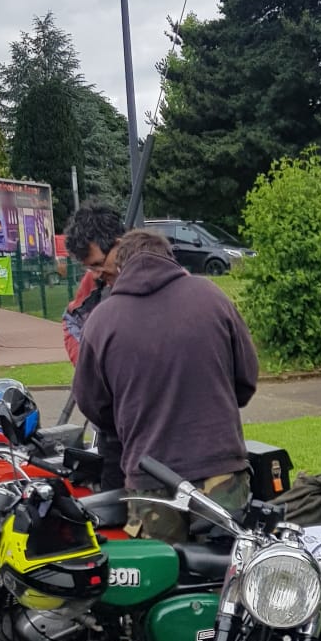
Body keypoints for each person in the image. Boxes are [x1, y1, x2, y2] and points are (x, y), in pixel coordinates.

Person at [72, 227, 259, 543]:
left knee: (159, 581)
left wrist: (128, 421)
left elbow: (93, 405)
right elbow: (246, 379)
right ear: (170, 258)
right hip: (220, 468)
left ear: (121, 267)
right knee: (228, 575)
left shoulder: (102, 321)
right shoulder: (213, 297)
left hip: (149, 478)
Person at [60, 202, 124, 365]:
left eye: (98, 264)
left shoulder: (164, 276)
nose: (96, 274)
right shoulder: (94, 283)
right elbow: (72, 319)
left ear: (119, 245)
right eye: (89, 267)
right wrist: (89, 367)